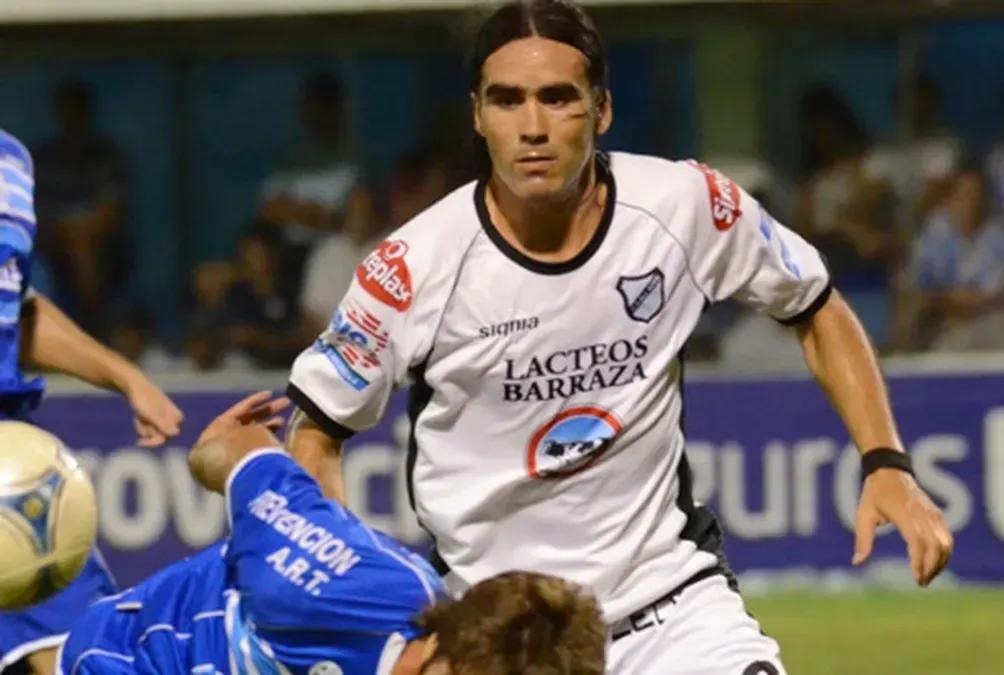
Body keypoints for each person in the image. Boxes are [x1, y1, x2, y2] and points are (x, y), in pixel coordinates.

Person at [285, 1, 954, 673]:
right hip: (502, 643)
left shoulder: (684, 206)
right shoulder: (411, 267)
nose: (534, 127)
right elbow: (316, 432)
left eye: (558, 98)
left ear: (601, 109)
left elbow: (816, 305)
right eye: (508, 101)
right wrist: (347, 589)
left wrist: (885, 462)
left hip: (672, 613)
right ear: (477, 116)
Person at [58, 392, 608, 675]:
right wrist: (210, 453)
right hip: (133, 660)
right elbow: (242, 451)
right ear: (442, 643)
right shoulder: (317, 584)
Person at [0, 129, 183, 675]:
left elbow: (18, 305)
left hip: (14, 466)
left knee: (84, 653)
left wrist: (127, 378)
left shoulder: (11, 161)